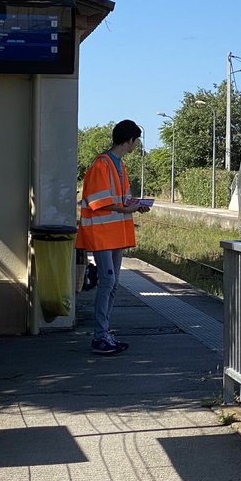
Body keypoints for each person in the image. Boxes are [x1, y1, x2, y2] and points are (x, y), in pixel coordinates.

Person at [76, 119, 150, 355]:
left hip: (114, 233)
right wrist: (127, 209)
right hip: (101, 233)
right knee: (107, 282)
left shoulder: (118, 165)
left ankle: (105, 332)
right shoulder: (102, 165)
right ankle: (99, 336)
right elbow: (99, 202)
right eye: (135, 141)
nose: (136, 145)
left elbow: (121, 198)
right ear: (129, 140)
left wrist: (136, 205)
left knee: (113, 283)